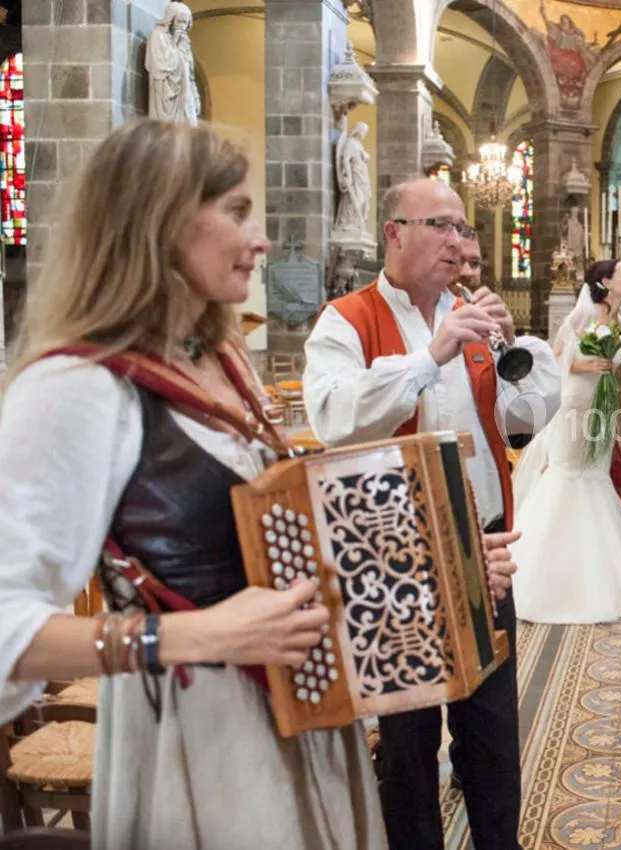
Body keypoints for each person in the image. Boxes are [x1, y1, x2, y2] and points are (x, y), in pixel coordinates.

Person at [0, 119, 394, 847]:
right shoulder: (76, 387)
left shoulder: (222, 359)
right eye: (237, 212)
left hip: (301, 715)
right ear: (159, 221)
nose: (262, 240)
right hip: (199, 740)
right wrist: (193, 635)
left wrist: (424, 570)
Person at [303, 177, 560, 850]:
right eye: (439, 226)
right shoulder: (347, 320)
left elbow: (524, 419)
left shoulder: (473, 318)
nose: (456, 241)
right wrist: (428, 356)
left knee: (491, 734)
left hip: (482, 557)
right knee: (408, 748)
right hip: (394, 563)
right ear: (394, 233)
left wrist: (515, 356)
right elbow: (333, 417)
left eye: (461, 228)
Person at [508, 259, 621, 624]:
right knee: (566, 476)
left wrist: (619, 423)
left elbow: (620, 378)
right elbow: (554, 358)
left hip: (603, 410)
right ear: (605, 281)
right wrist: (585, 366)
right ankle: (541, 578)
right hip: (575, 405)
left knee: (595, 478)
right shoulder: (584, 314)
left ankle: (597, 579)